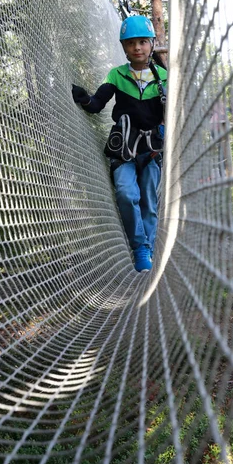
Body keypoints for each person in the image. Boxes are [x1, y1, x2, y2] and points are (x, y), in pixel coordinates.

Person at [72, 15, 167, 273]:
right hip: (123, 147)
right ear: (124, 47)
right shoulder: (117, 75)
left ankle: (147, 249)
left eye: (142, 42)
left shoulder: (164, 78)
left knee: (149, 200)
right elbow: (97, 104)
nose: (137, 47)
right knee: (126, 193)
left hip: (151, 149)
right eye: (131, 43)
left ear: (151, 45)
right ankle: (139, 247)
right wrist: (83, 99)